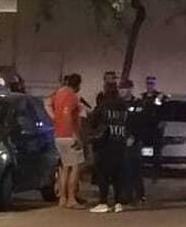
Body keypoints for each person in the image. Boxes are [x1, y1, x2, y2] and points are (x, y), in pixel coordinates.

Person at [87, 71, 133, 213]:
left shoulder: (103, 105)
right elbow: (129, 124)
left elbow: (93, 121)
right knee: (118, 175)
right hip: (120, 144)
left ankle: (103, 202)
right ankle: (118, 202)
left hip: (105, 145)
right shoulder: (123, 106)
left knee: (103, 175)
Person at [49, 74, 85, 208]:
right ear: (77, 84)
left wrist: (54, 119)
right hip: (69, 136)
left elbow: (46, 103)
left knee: (64, 167)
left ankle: (62, 199)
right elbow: (67, 114)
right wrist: (75, 134)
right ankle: (71, 199)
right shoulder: (72, 96)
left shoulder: (58, 94)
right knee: (74, 167)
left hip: (58, 135)